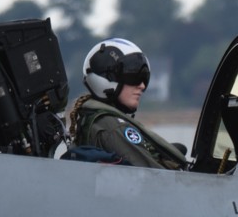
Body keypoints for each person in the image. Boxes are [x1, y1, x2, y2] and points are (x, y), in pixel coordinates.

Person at [69, 37, 187, 169]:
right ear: (107, 79)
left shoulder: (95, 119)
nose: (142, 86)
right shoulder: (113, 127)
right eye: (133, 77)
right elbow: (157, 177)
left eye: (144, 78)